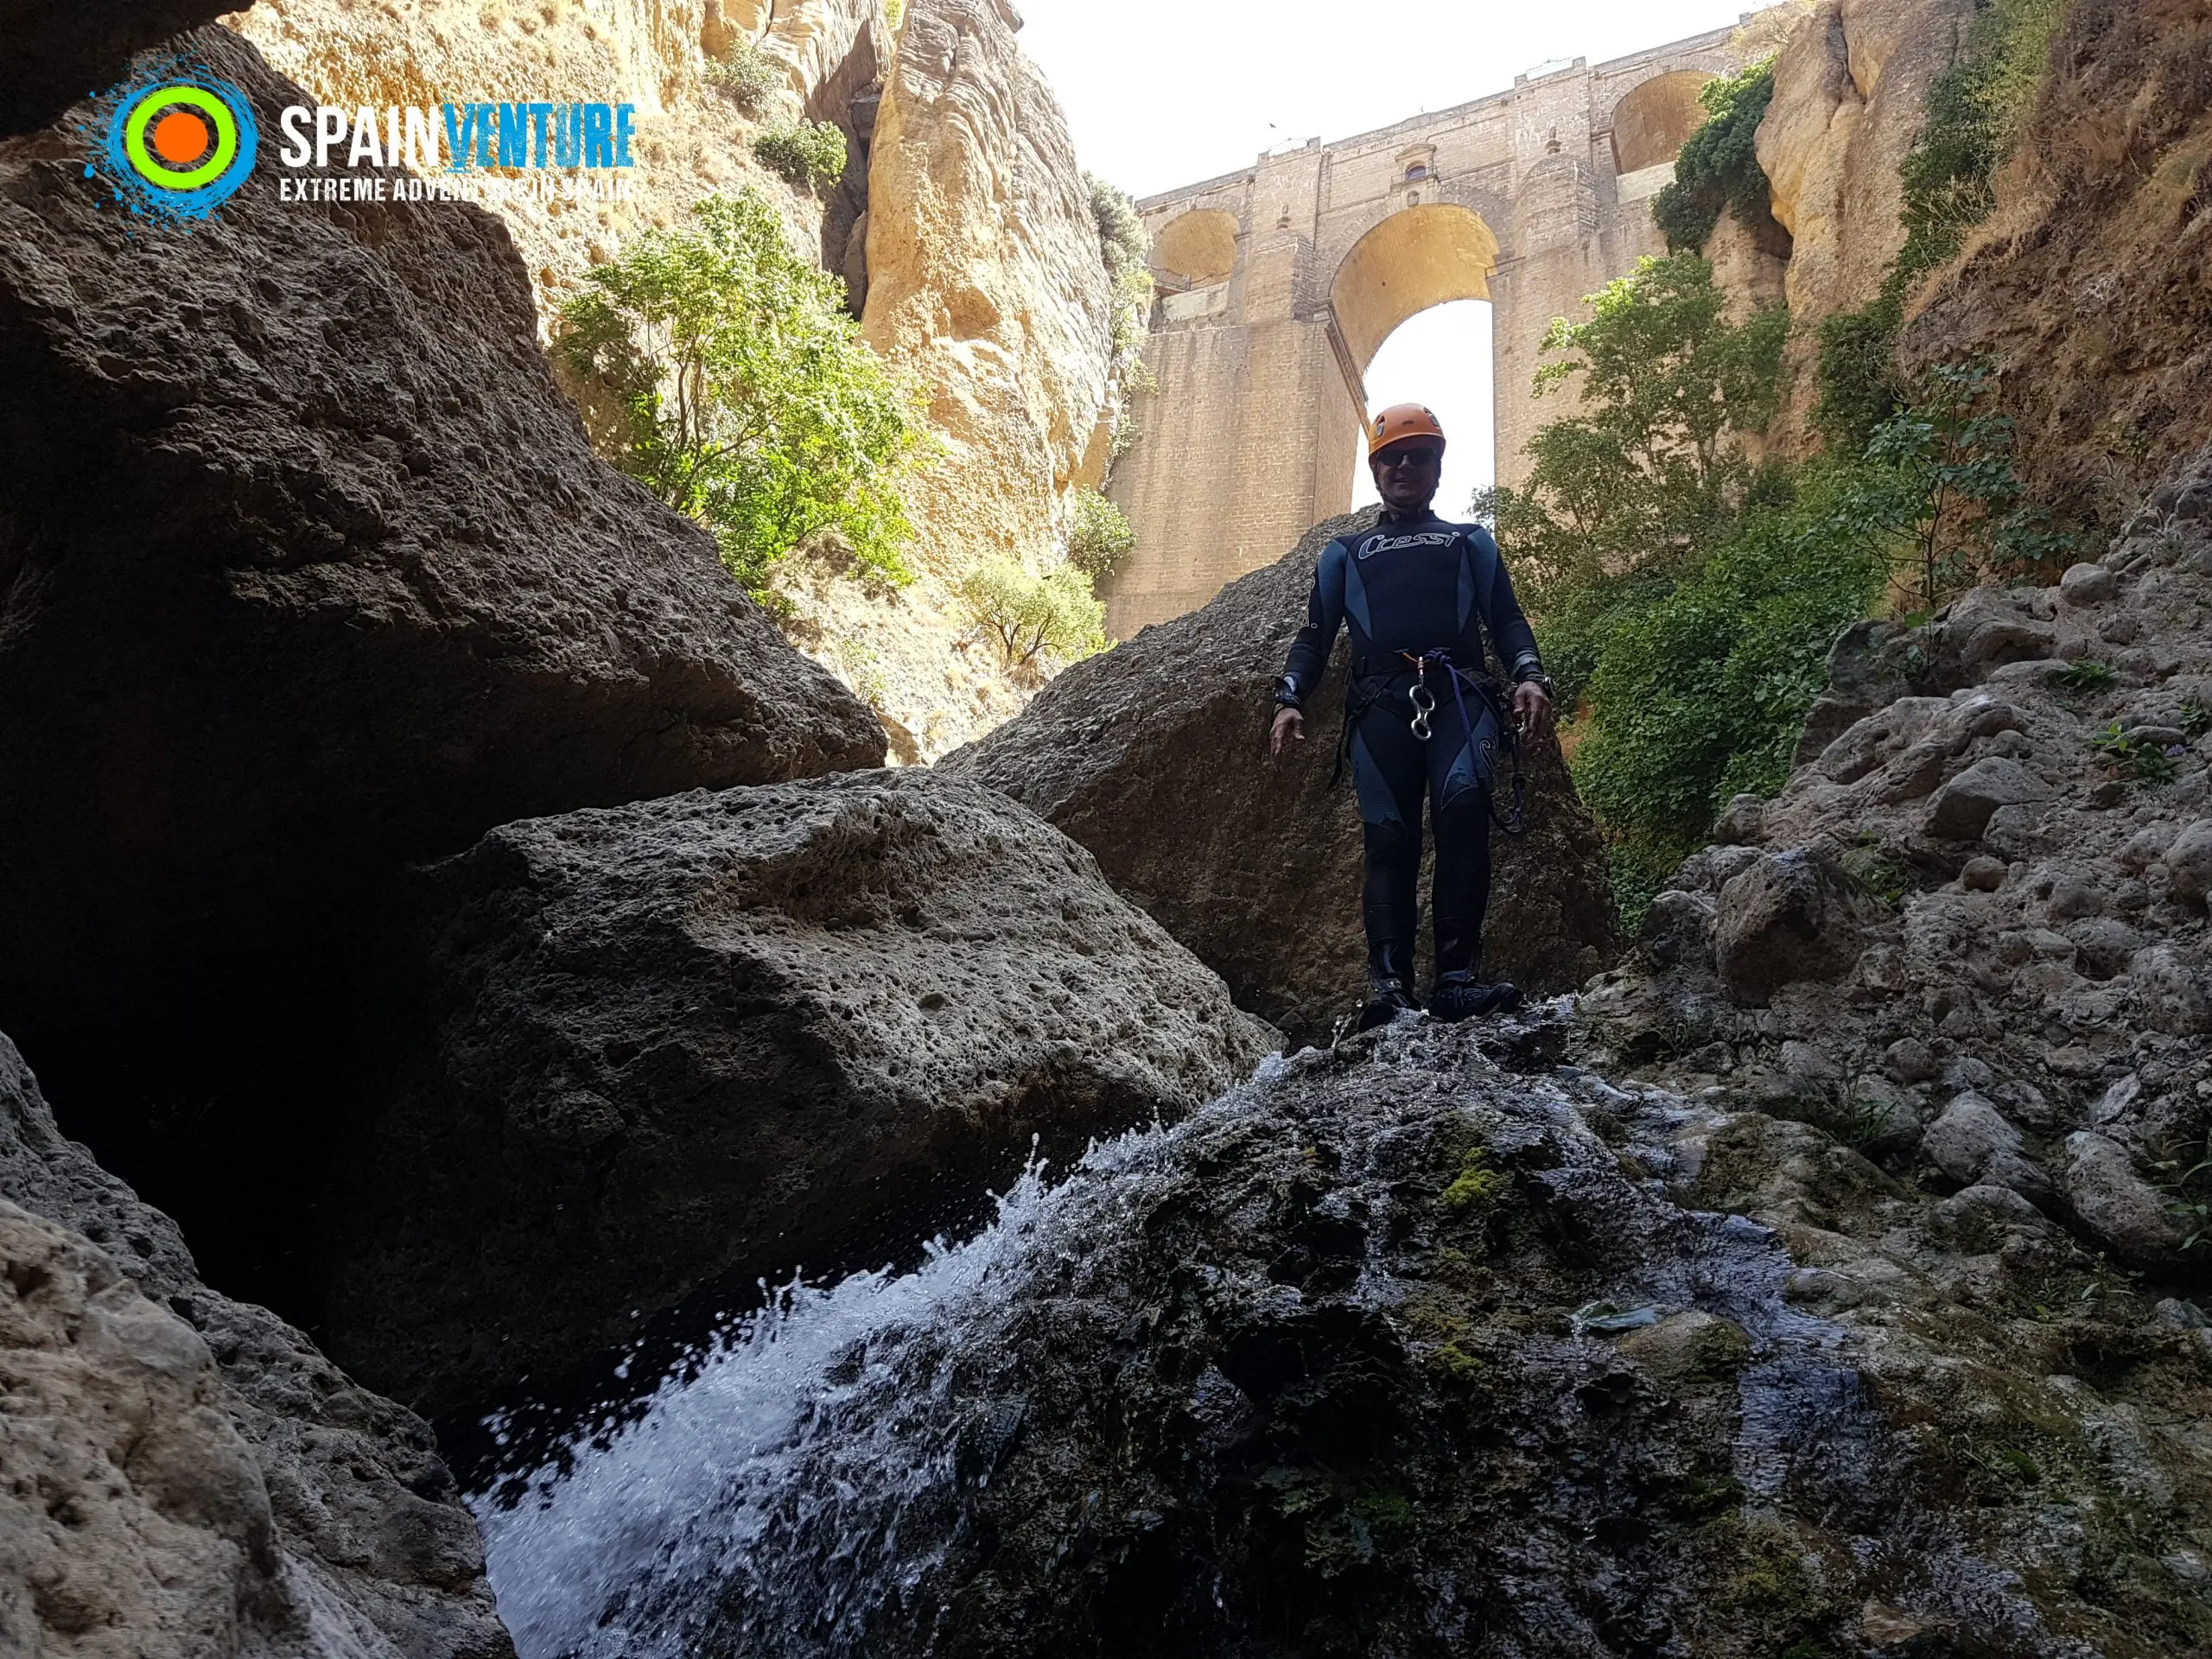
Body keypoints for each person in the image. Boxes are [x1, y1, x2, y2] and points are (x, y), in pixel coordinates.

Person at [1269, 404, 1554, 1031]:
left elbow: (1505, 619)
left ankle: (1456, 980)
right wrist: (1289, 697)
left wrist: (1531, 676)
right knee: (1388, 838)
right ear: (1375, 469)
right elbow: (1315, 637)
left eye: (1417, 456)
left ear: (1436, 467)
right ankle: (1390, 988)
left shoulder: (1470, 541)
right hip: (1380, 705)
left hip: (1458, 696)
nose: (1404, 465)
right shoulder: (1345, 554)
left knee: (1462, 811)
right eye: (1391, 457)